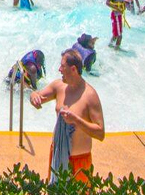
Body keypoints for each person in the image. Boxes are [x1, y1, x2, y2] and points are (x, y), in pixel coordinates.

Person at [30, 48, 105, 184]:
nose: (59, 69)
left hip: (79, 161)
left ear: (73, 69)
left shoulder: (90, 96)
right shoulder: (59, 87)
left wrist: (76, 120)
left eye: (62, 66)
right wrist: (34, 97)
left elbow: (100, 133)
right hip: (57, 154)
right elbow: (37, 94)